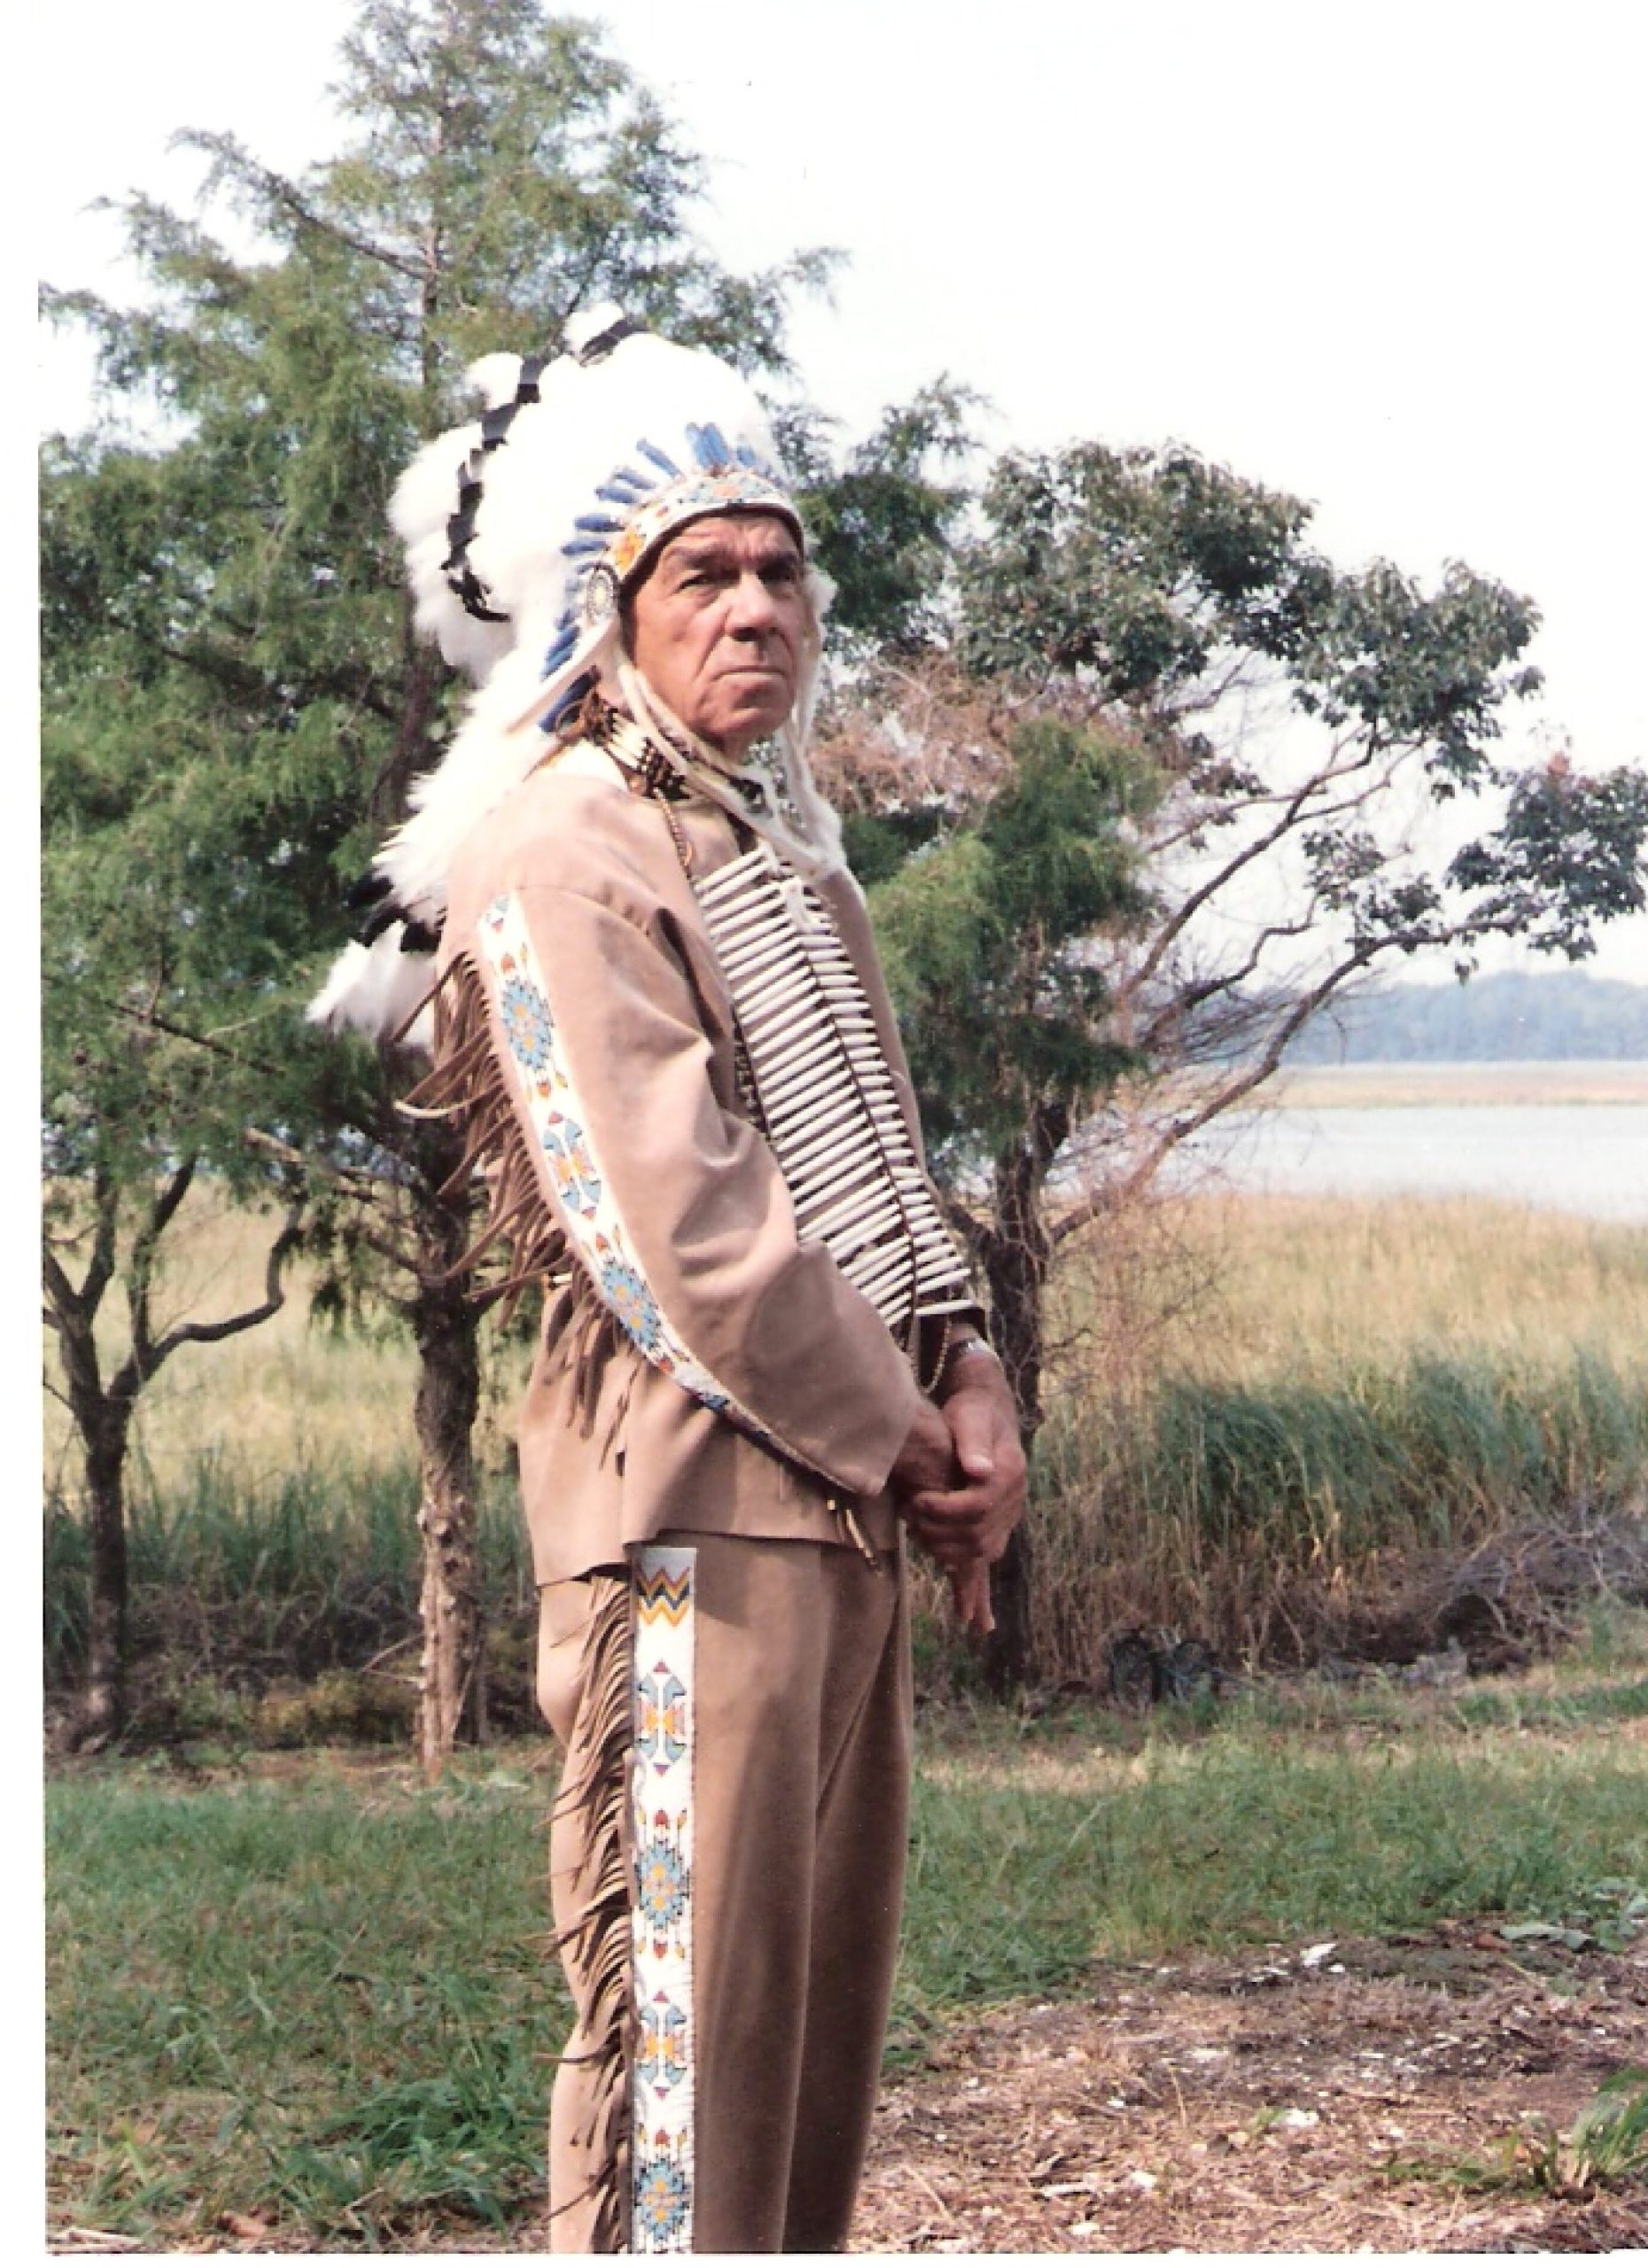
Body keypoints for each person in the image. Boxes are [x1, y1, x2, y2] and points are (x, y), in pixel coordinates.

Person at [312, 308, 1026, 2254]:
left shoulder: (787, 855)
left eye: (782, 571)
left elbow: (883, 1168)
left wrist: (972, 1383)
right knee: (685, 2057)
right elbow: (678, 1227)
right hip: (693, 1522)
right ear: (613, 615)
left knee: (806, 2046)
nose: (757, 608)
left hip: (846, 1502)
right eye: (703, 575)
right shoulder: (564, 846)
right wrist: (914, 1439)